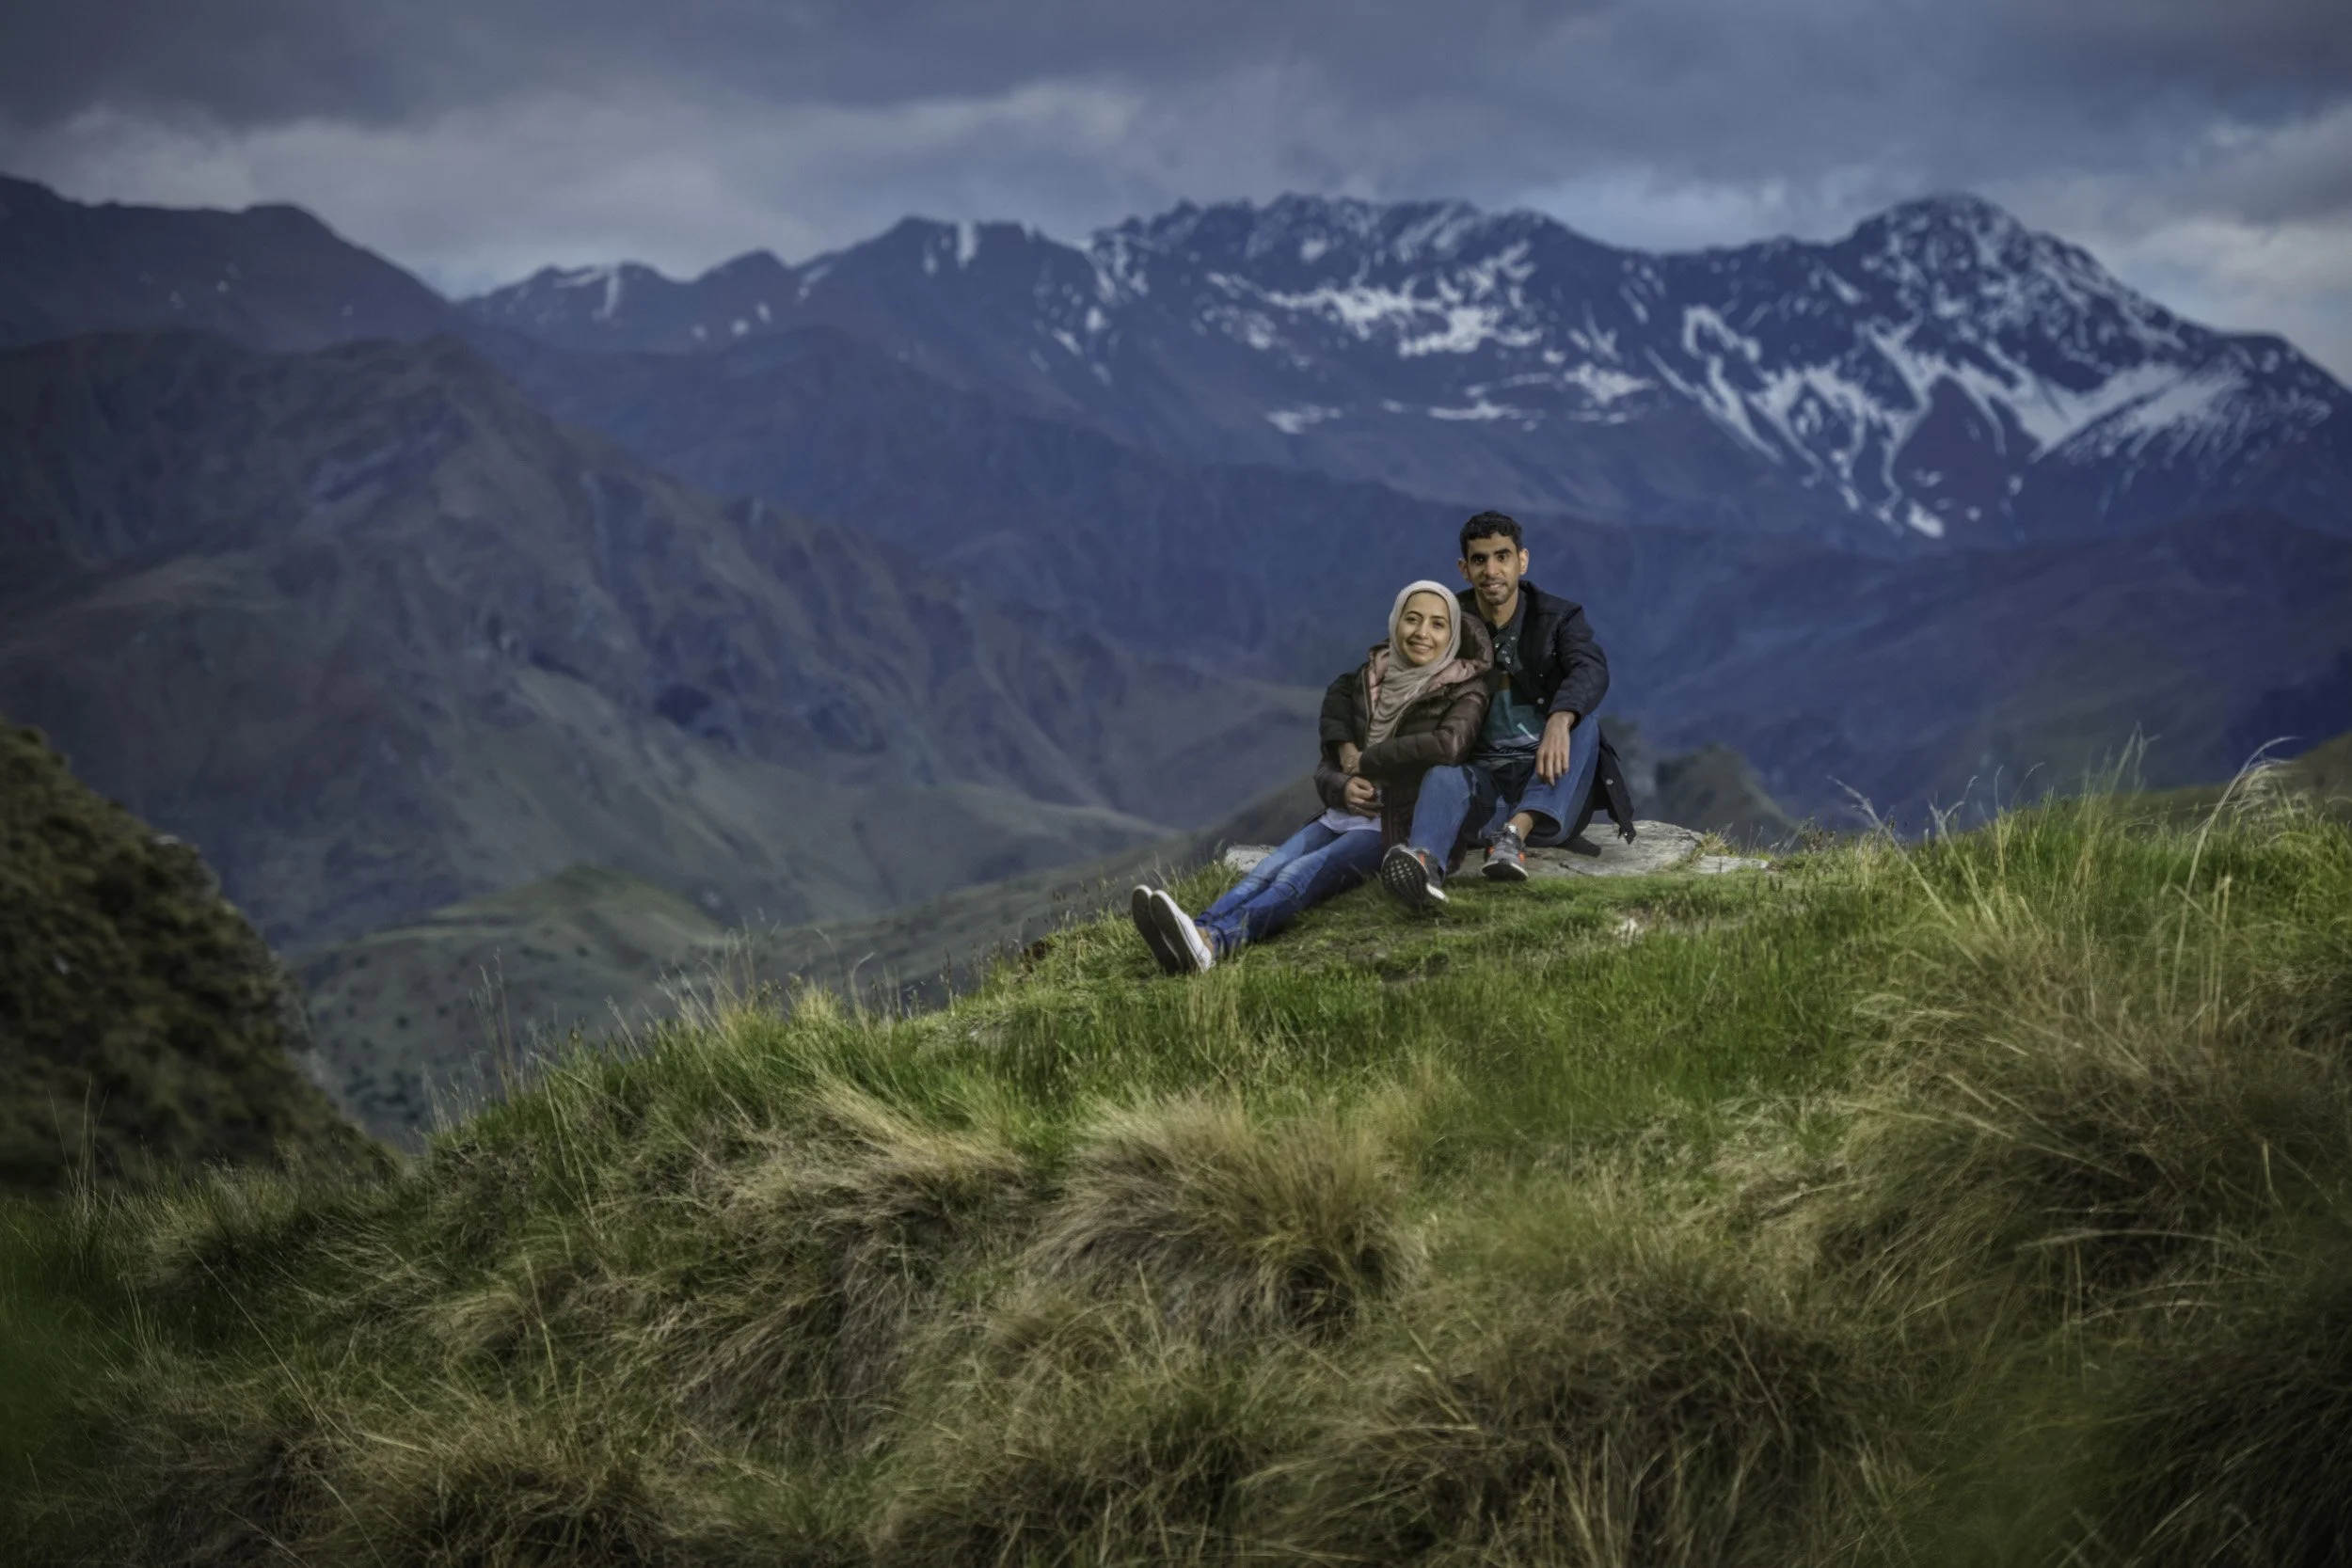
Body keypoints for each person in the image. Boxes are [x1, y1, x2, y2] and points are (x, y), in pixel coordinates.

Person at [1134, 580, 1495, 973]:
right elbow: (1329, 766)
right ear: (1395, 622)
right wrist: (1343, 786)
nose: (1422, 632)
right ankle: (1195, 932)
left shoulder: (1465, 690)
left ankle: (1216, 943)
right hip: (1341, 814)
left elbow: (1448, 746)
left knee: (1297, 874)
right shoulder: (1369, 681)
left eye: (1438, 624)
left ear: (1453, 635)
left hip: (1392, 825)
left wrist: (1369, 760)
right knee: (1265, 871)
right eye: (1412, 619)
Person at [1379, 511, 1611, 909]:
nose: (1491, 570)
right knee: (1443, 774)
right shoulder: (1447, 622)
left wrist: (1560, 718)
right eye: (1479, 560)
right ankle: (1425, 866)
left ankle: (1515, 834)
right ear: (1464, 569)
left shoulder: (1558, 618)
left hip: (1550, 791)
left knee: (1584, 722)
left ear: (1522, 560)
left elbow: (1591, 669)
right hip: (1483, 792)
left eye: (1502, 557)